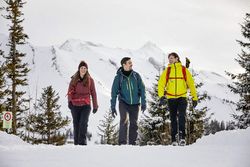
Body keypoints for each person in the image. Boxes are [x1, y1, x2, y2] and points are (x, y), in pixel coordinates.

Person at [158, 52, 198, 146]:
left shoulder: (184, 70)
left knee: (181, 117)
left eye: (171, 58)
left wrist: (194, 98)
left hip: (182, 97)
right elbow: (161, 84)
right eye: (169, 58)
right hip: (171, 98)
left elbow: (191, 84)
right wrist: (161, 96)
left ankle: (182, 137)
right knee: (173, 119)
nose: (170, 60)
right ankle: (174, 139)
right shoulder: (167, 71)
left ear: (177, 58)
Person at [110, 57, 146, 145]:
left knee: (134, 123)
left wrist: (144, 102)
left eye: (131, 62)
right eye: (129, 63)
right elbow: (114, 92)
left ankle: (132, 143)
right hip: (124, 102)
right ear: (124, 65)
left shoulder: (136, 75)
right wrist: (113, 106)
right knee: (124, 120)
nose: (131, 64)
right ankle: (122, 143)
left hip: (135, 103)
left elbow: (142, 89)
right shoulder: (118, 77)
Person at [67, 61, 98, 145]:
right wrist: (70, 101)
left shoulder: (90, 80)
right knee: (76, 124)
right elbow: (70, 92)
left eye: (85, 68)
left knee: (83, 123)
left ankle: (82, 143)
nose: (83, 70)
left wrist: (95, 106)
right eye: (82, 68)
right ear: (79, 69)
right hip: (75, 105)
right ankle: (76, 143)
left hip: (86, 105)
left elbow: (93, 93)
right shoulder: (74, 79)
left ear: (87, 70)